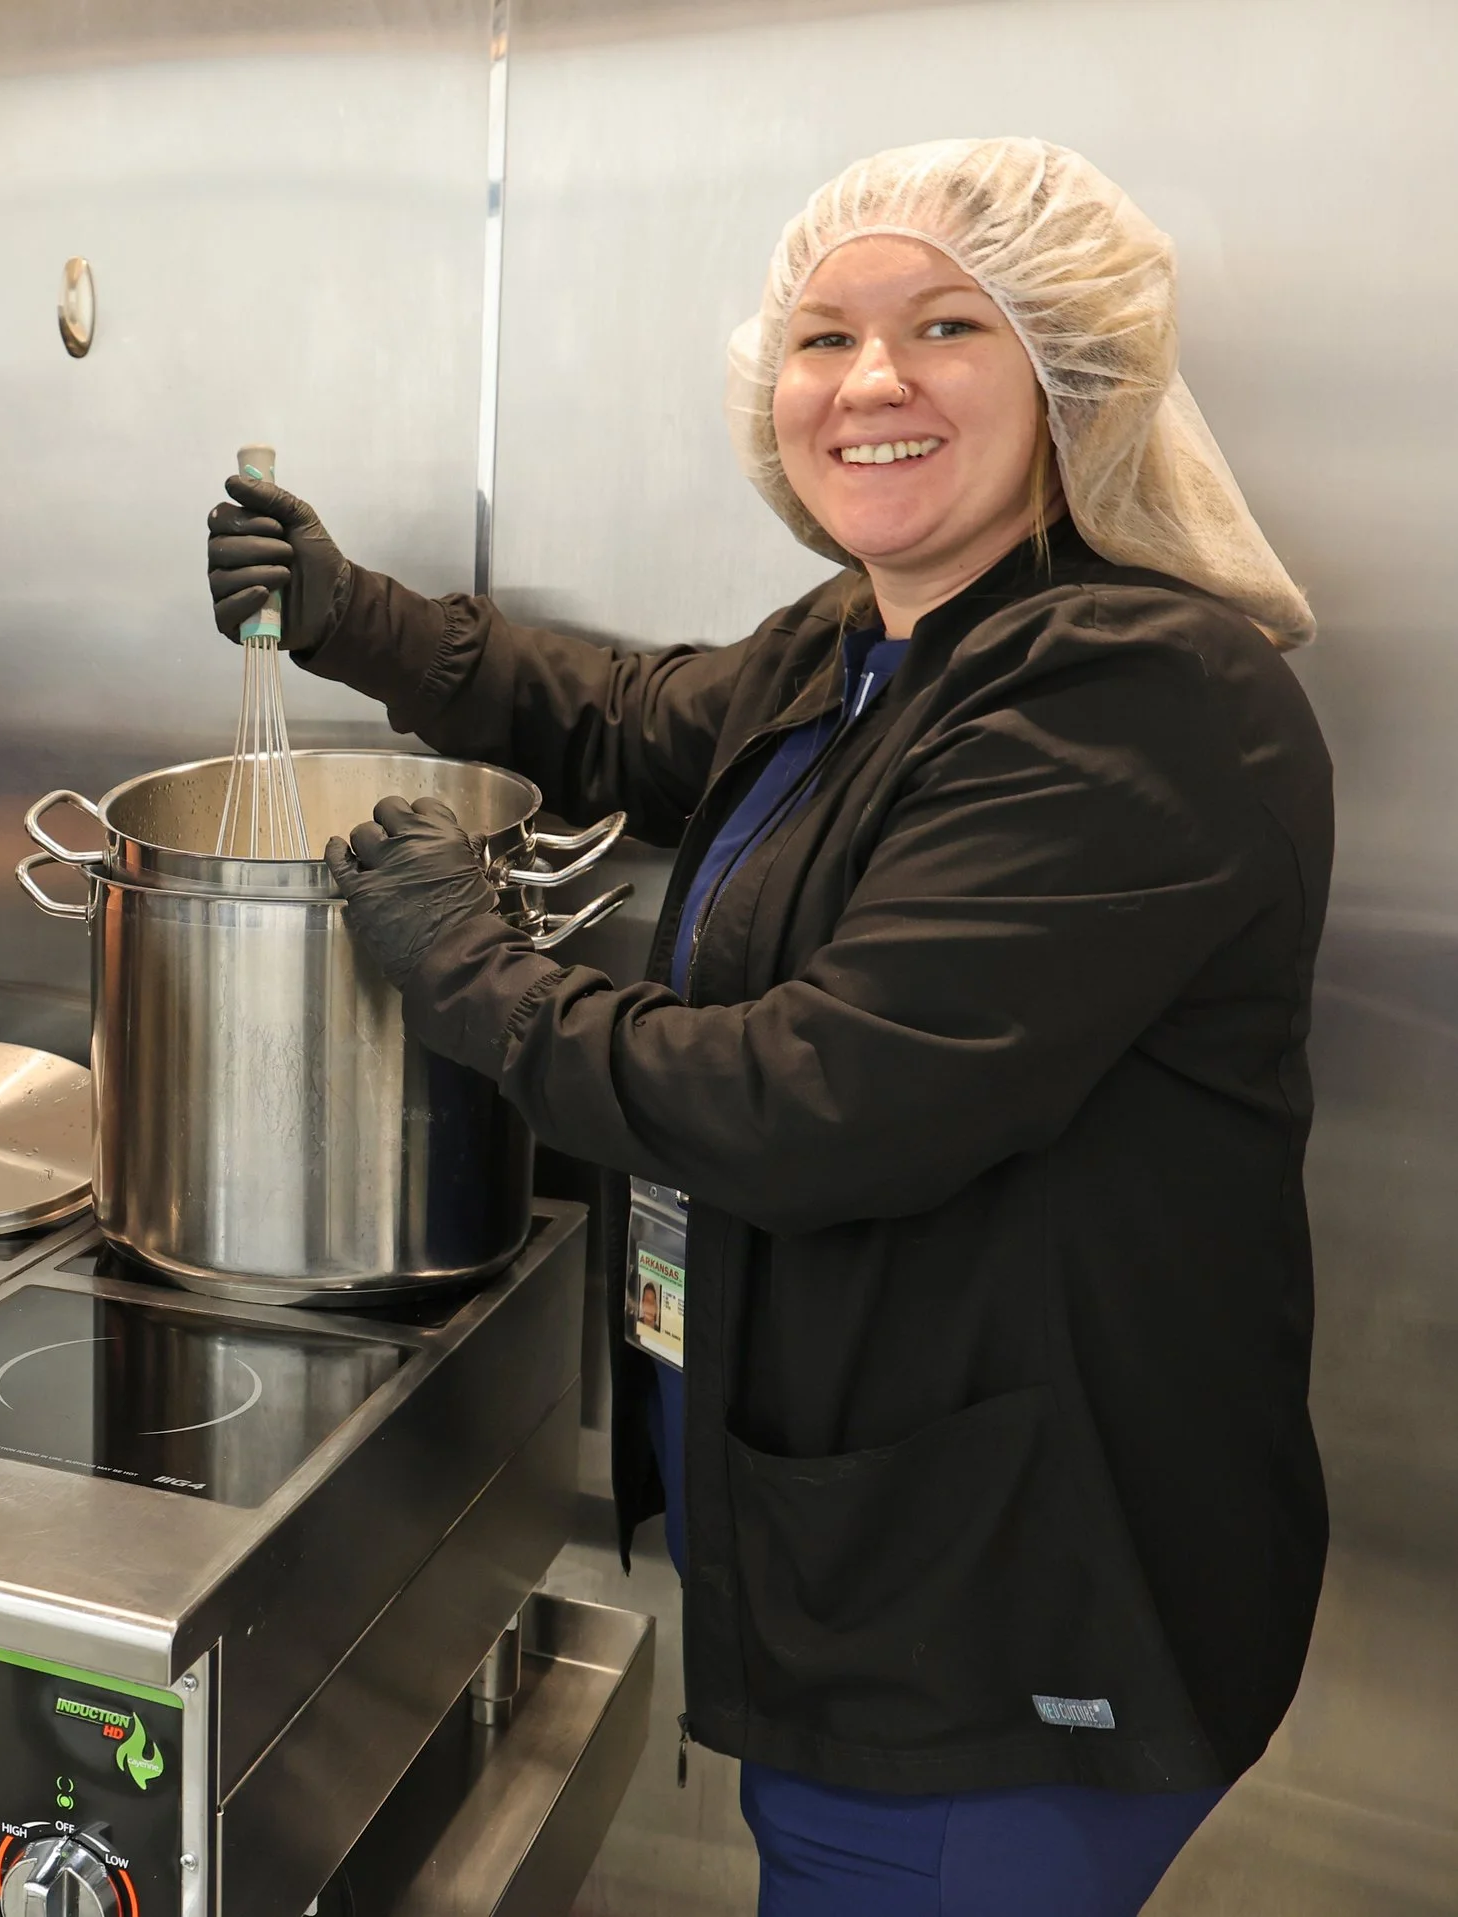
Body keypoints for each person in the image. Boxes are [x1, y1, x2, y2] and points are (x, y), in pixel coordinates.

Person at [206, 139, 1328, 1916]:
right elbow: (643, 720)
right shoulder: (877, 639)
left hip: (1005, 1627)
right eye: (822, 337)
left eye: (944, 326)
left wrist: (474, 972)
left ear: (1070, 376)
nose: (867, 382)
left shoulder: (1134, 697)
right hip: (882, 1557)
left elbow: (821, 1099)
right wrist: (361, 621)